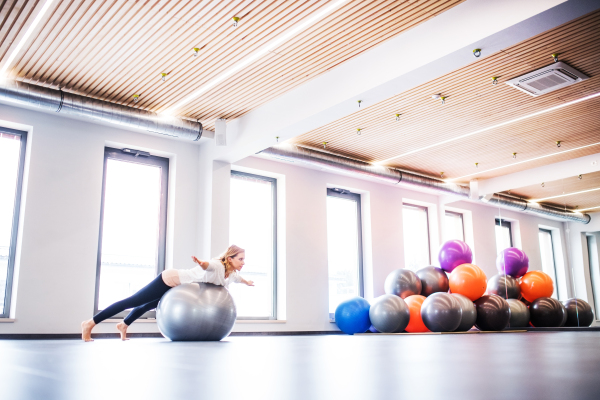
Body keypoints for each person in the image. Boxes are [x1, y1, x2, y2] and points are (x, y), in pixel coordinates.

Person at [81, 245, 253, 341]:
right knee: (133, 301)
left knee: (151, 304)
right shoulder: (217, 265)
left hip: (181, 290)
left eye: (244, 259)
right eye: (241, 259)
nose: (243, 262)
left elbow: (239, 279)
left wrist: (247, 282)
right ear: (230, 258)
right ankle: (90, 323)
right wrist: (201, 263)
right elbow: (208, 265)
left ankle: (123, 325)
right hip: (171, 279)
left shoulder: (231, 274)